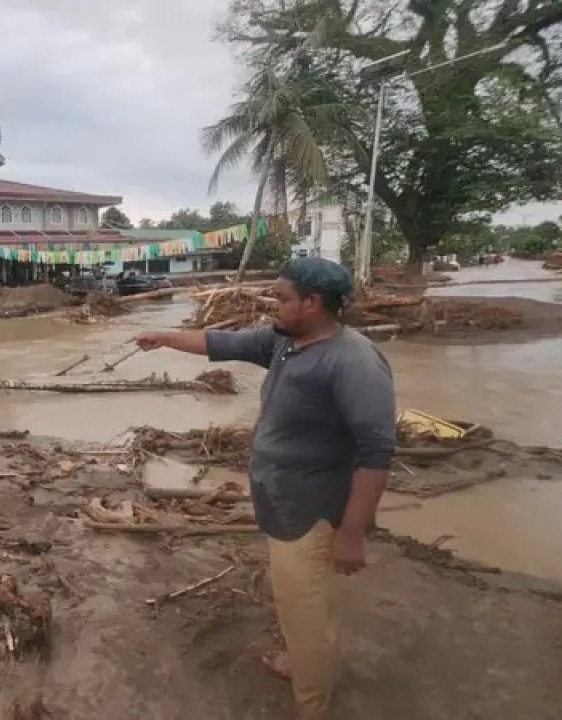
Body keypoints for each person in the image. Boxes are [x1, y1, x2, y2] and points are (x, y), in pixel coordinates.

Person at [135, 257, 395, 720]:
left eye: (282, 297)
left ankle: (312, 703)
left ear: (312, 303)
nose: (272, 303)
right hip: (283, 502)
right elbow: (219, 343)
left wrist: (353, 532)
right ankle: (303, 659)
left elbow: (376, 451)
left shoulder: (353, 362)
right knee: (303, 600)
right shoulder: (285, 342)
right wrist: (164, 337)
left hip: (313, 511)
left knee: (307, 610)